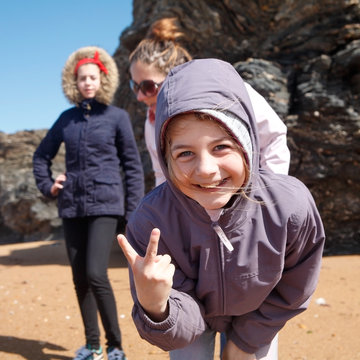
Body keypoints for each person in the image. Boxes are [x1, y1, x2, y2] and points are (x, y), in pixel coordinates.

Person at [117, 58, 325, 360]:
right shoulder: (152, 222)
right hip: (188, 321)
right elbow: (179, 327)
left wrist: (245, 343)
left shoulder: (289, 206)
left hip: (259, 313)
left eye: (221, 147)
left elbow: (295, 284)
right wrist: (156, 306)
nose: (206, 170)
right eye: (185, 153)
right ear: (165, 160)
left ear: (247, 143)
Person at [33, 46, 144, 360]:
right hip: (72, 206)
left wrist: (132, 212)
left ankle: (116, 346)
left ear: (103, 79)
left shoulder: (117, 117)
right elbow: (41, 156)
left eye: (93, 77)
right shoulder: (66, 120)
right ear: (74, 82)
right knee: (79, 276)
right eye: (82, 78)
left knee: (96, 272)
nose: (87, 83)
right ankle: (92, 344)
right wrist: (48, 184)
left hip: (106, 205)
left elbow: (132, 166)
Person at [128, 18, 291, 188]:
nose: (139, 96)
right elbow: (162, 173)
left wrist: (268, 193)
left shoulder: (227, 88)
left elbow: (273, 136)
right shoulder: (152, 121)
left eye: (148, 87)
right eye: (135, 86)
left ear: (172, 78)